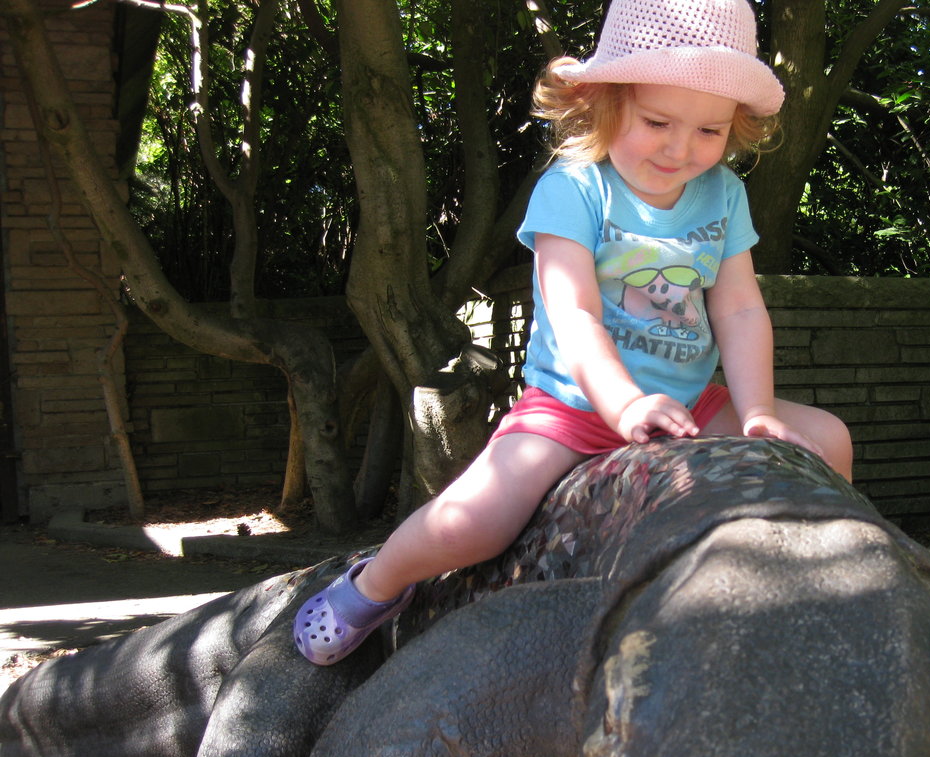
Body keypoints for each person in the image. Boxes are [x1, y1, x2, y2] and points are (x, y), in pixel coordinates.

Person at [293, 0, 853, 665]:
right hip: (572, 406)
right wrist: (625, 404)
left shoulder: (723, 194)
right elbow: (574, 312)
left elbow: (738, 308)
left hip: (689, 404)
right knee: (478, 518)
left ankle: (834, 577)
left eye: (709, 130)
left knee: (827, 439)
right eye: (657, 122)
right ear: (604, 102)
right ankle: (375, 584)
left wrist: (757, 412)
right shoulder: (575, 187)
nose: (681, 149)